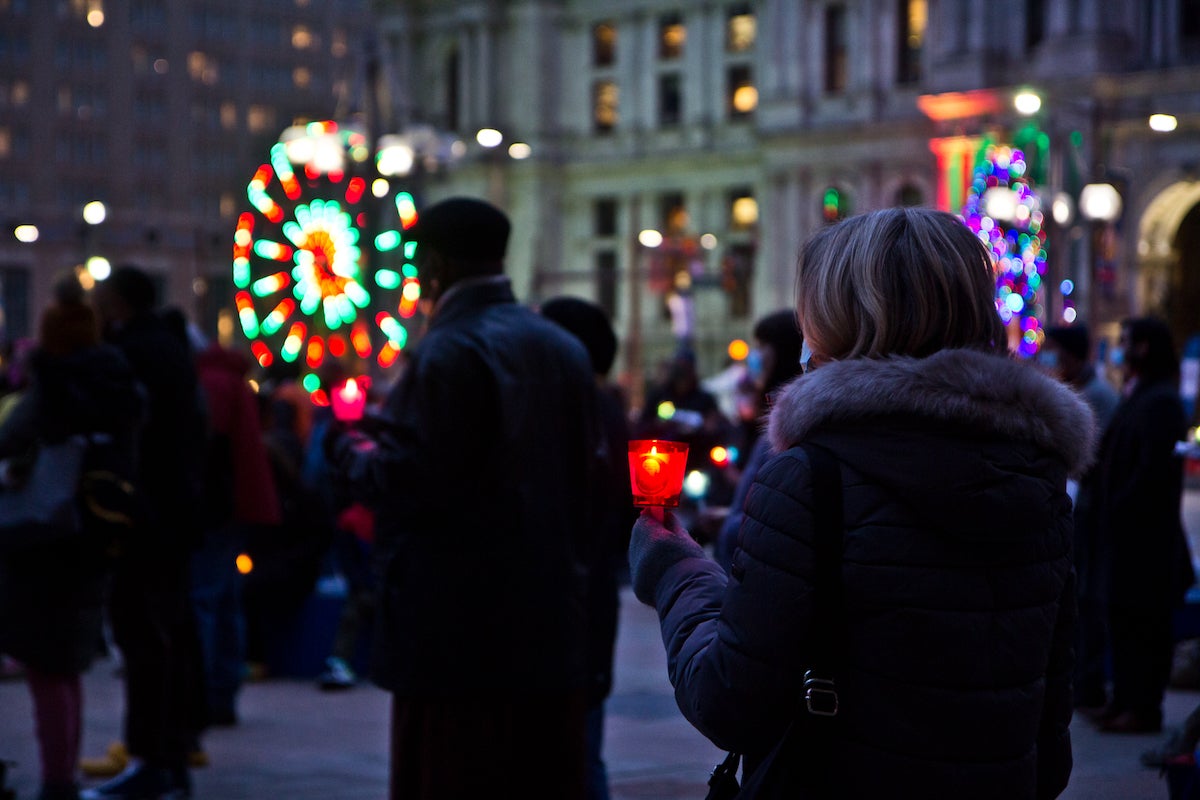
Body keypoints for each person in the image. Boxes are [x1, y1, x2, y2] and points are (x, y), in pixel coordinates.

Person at [628, 207, 1092, 799]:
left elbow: (728, 701)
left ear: (838, 321)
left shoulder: (811, 476)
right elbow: (1049, 737)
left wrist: (676, 572)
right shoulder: (1038, 475)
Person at [326, 197, 600, 799]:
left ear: (436, 264)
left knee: (451, 774)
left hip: (453, 625)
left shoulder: (445, 350)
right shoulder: (562, 347)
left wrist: (346, 449)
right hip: (548, 614)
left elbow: (411, 478)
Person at [0, 276, 141, 800]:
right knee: (70, 663)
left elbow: (11, 440)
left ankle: (57, 778)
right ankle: (67, 773)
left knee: (44, 667)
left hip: (42, 538)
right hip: (96, 531)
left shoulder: (52, 386)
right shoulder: (119, 384)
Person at [82, 266, 207, 800]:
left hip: (145, 515)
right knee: (168, 633)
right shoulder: (172, 348)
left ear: (119, 302)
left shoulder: (134, 354)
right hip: (173, 514)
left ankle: (153, 759)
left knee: (144, 634)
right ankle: (168, 758)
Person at [540, 295, 636, 800]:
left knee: (574, 757)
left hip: (569, 603)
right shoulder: (605, 409)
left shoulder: (577, 411)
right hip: (590, 598)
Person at [1090, 316, 1194, 734]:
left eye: (1128, 342)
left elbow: (1152, 472)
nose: (1121, 350)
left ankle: (1142, 707)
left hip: (1147, 544)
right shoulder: (1139, 394)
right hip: (1126, 541)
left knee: (1144, 628)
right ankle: (1124, 701)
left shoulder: (1162, 401)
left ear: (1145, 348)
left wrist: (1117, 506)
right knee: (1125, 624)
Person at [191, 340, 281, 724]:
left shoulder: (208, 383)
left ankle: (207, 693)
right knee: (227, 599)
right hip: (239, 503)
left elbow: (206, 449)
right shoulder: (235, 380)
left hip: (215, 507)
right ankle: (224, 690)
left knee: (206, 600)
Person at [1038, 325, 1120, 711]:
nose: (1047, 359)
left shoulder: (1096, 398)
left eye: (1052, 351)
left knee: (1088, 598)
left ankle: (1088, 684)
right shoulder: (1074, 392)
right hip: (1081, 510)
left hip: (1093, 514)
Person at [714, 309, 805, 573]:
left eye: (763, 346)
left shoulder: (789, 427)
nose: (756, 355)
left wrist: (733, 526)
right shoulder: (772, 417)